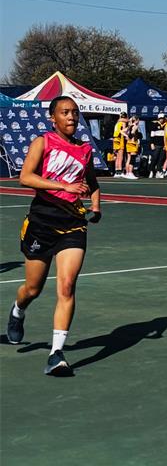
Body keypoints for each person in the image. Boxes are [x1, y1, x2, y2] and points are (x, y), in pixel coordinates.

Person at [6, 96, 102, 376]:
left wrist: (95, 206)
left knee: (67, 286)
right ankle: (17, 310)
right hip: (42, 222)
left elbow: (92, 182)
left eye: (74, 112)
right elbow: (25, 177)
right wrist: (63, 185)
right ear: (53, 118)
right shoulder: (43, 142)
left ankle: (56, 353)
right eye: (65, 112)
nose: (71, 117)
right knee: (32, 289)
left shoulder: (84, 150)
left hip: (73, 224)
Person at [149, 114, 166, 178]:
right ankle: (151, 171)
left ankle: (158, 172)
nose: (161, 119)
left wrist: (165, 145)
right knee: (154, 158)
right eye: (160, 118)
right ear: (158, 118)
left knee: (161, 159)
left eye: (162, 118)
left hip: (163, 145)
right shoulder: (154, 124)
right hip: (156, 144)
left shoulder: (166, 125)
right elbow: (152, 135)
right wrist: (152, 143)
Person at [112, 112, 128, 177]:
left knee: (117, 156)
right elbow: (123, 131)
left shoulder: (117, 123)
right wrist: (127, 135)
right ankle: (120, 171)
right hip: (119, 139)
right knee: (120, 156)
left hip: (115, 139)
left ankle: (116, 171)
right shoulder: (123, 123)